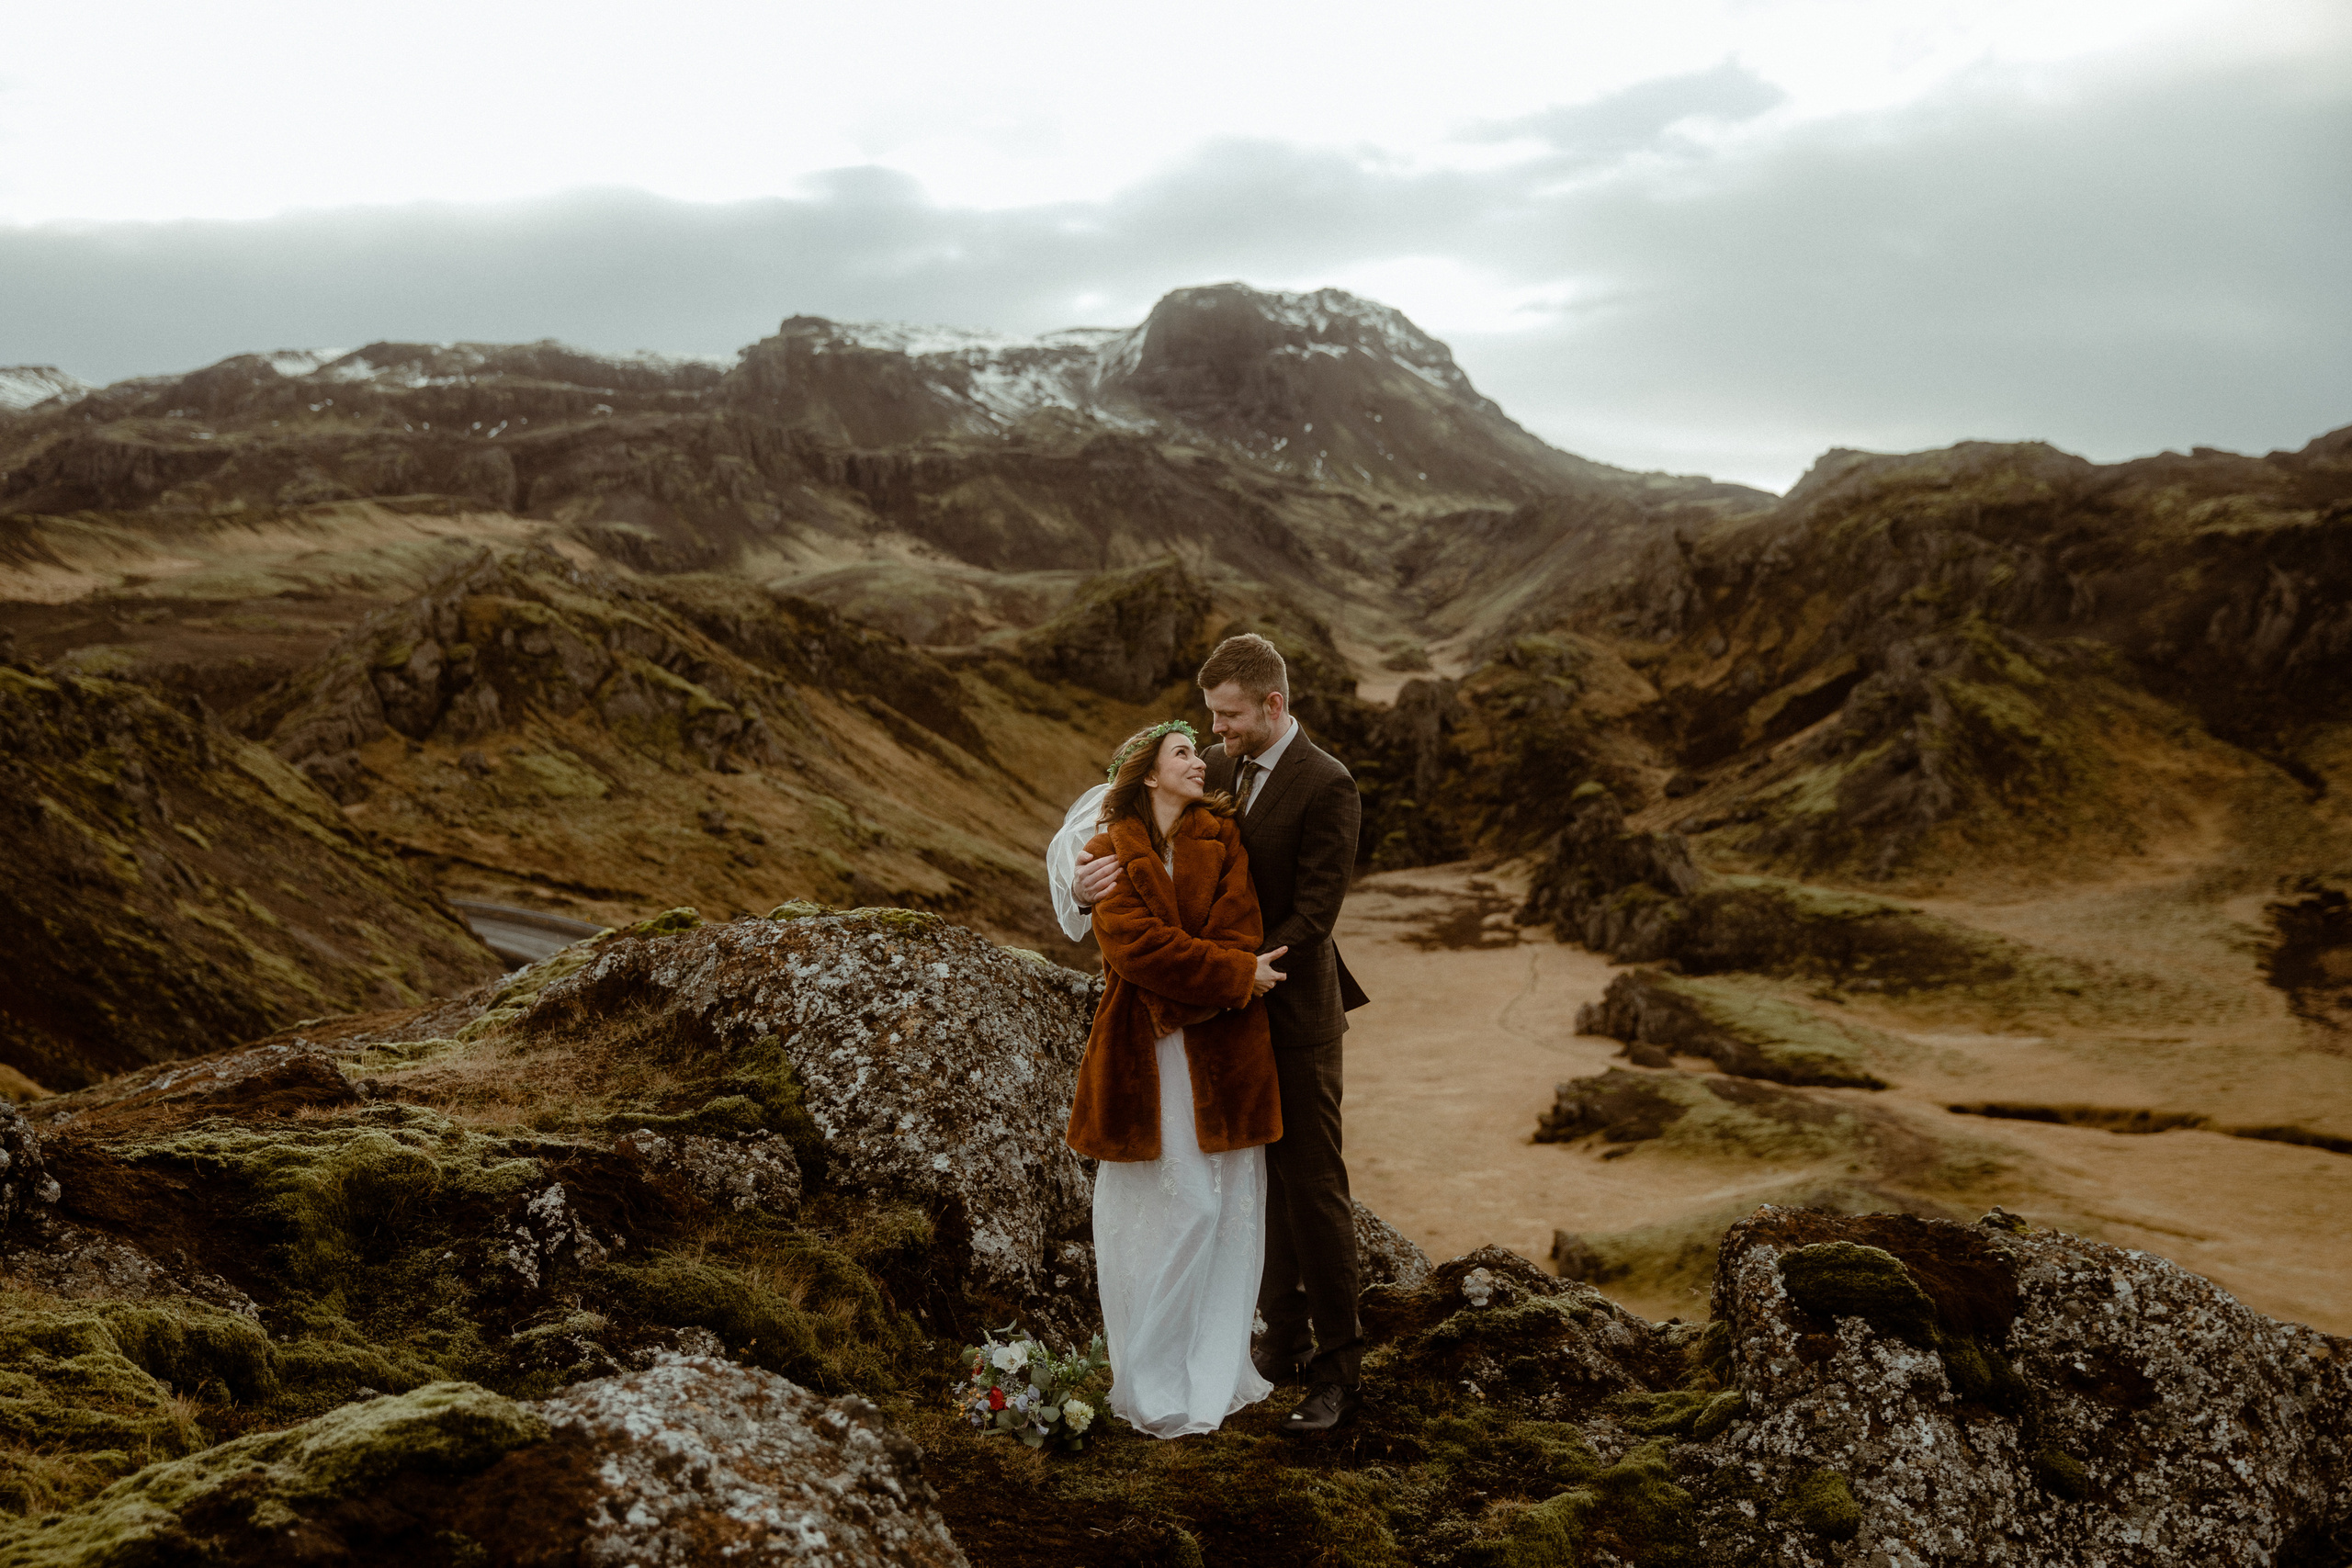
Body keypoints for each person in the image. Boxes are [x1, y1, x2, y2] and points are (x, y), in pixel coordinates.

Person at [1055, 633, 1369, 1435]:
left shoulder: (1327, 783)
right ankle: (1277, 1343)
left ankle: (1338, 1369)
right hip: (1220, 1017)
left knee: (1313, 1183)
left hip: (1292, 1012)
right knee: (1249, 1185)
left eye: (1229, 716)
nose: (1215, 734)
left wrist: (1241, 972)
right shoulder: (1216, 769)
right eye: (1208, 723)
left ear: (1273, 704)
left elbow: (1315, 912)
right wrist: (1079, 883)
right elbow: (1117, 815)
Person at [1066, 718, 1291, 1438]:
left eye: (1198, 748)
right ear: (1148, 774)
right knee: (1179, 1206)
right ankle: (1151, 1375)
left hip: (1226, 1055)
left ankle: (1212, 1370)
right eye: (1184, 753)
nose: (1201, 761)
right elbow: (1135, 950)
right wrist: (1233, 979)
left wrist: (1216, 973)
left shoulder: (1221, 839)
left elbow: (1240, 930)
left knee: (1227, 1212)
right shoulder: (1104, 854)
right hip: (1145, 1054)